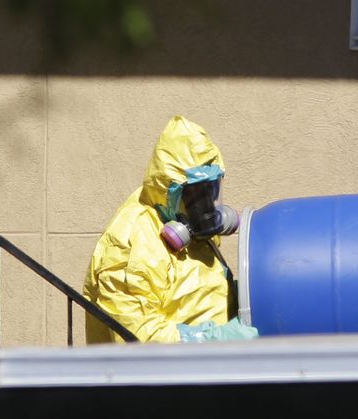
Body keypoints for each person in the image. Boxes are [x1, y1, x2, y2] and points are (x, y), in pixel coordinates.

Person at [83, 115, 258, 343]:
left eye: (211, 190)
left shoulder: (190, 232)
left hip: (207, 371)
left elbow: (201, 293)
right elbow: (138, 336)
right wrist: (212, 340)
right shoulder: (131, 244)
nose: (205, 206)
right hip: (164, 375)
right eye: (195, 193)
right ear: (168, 192)